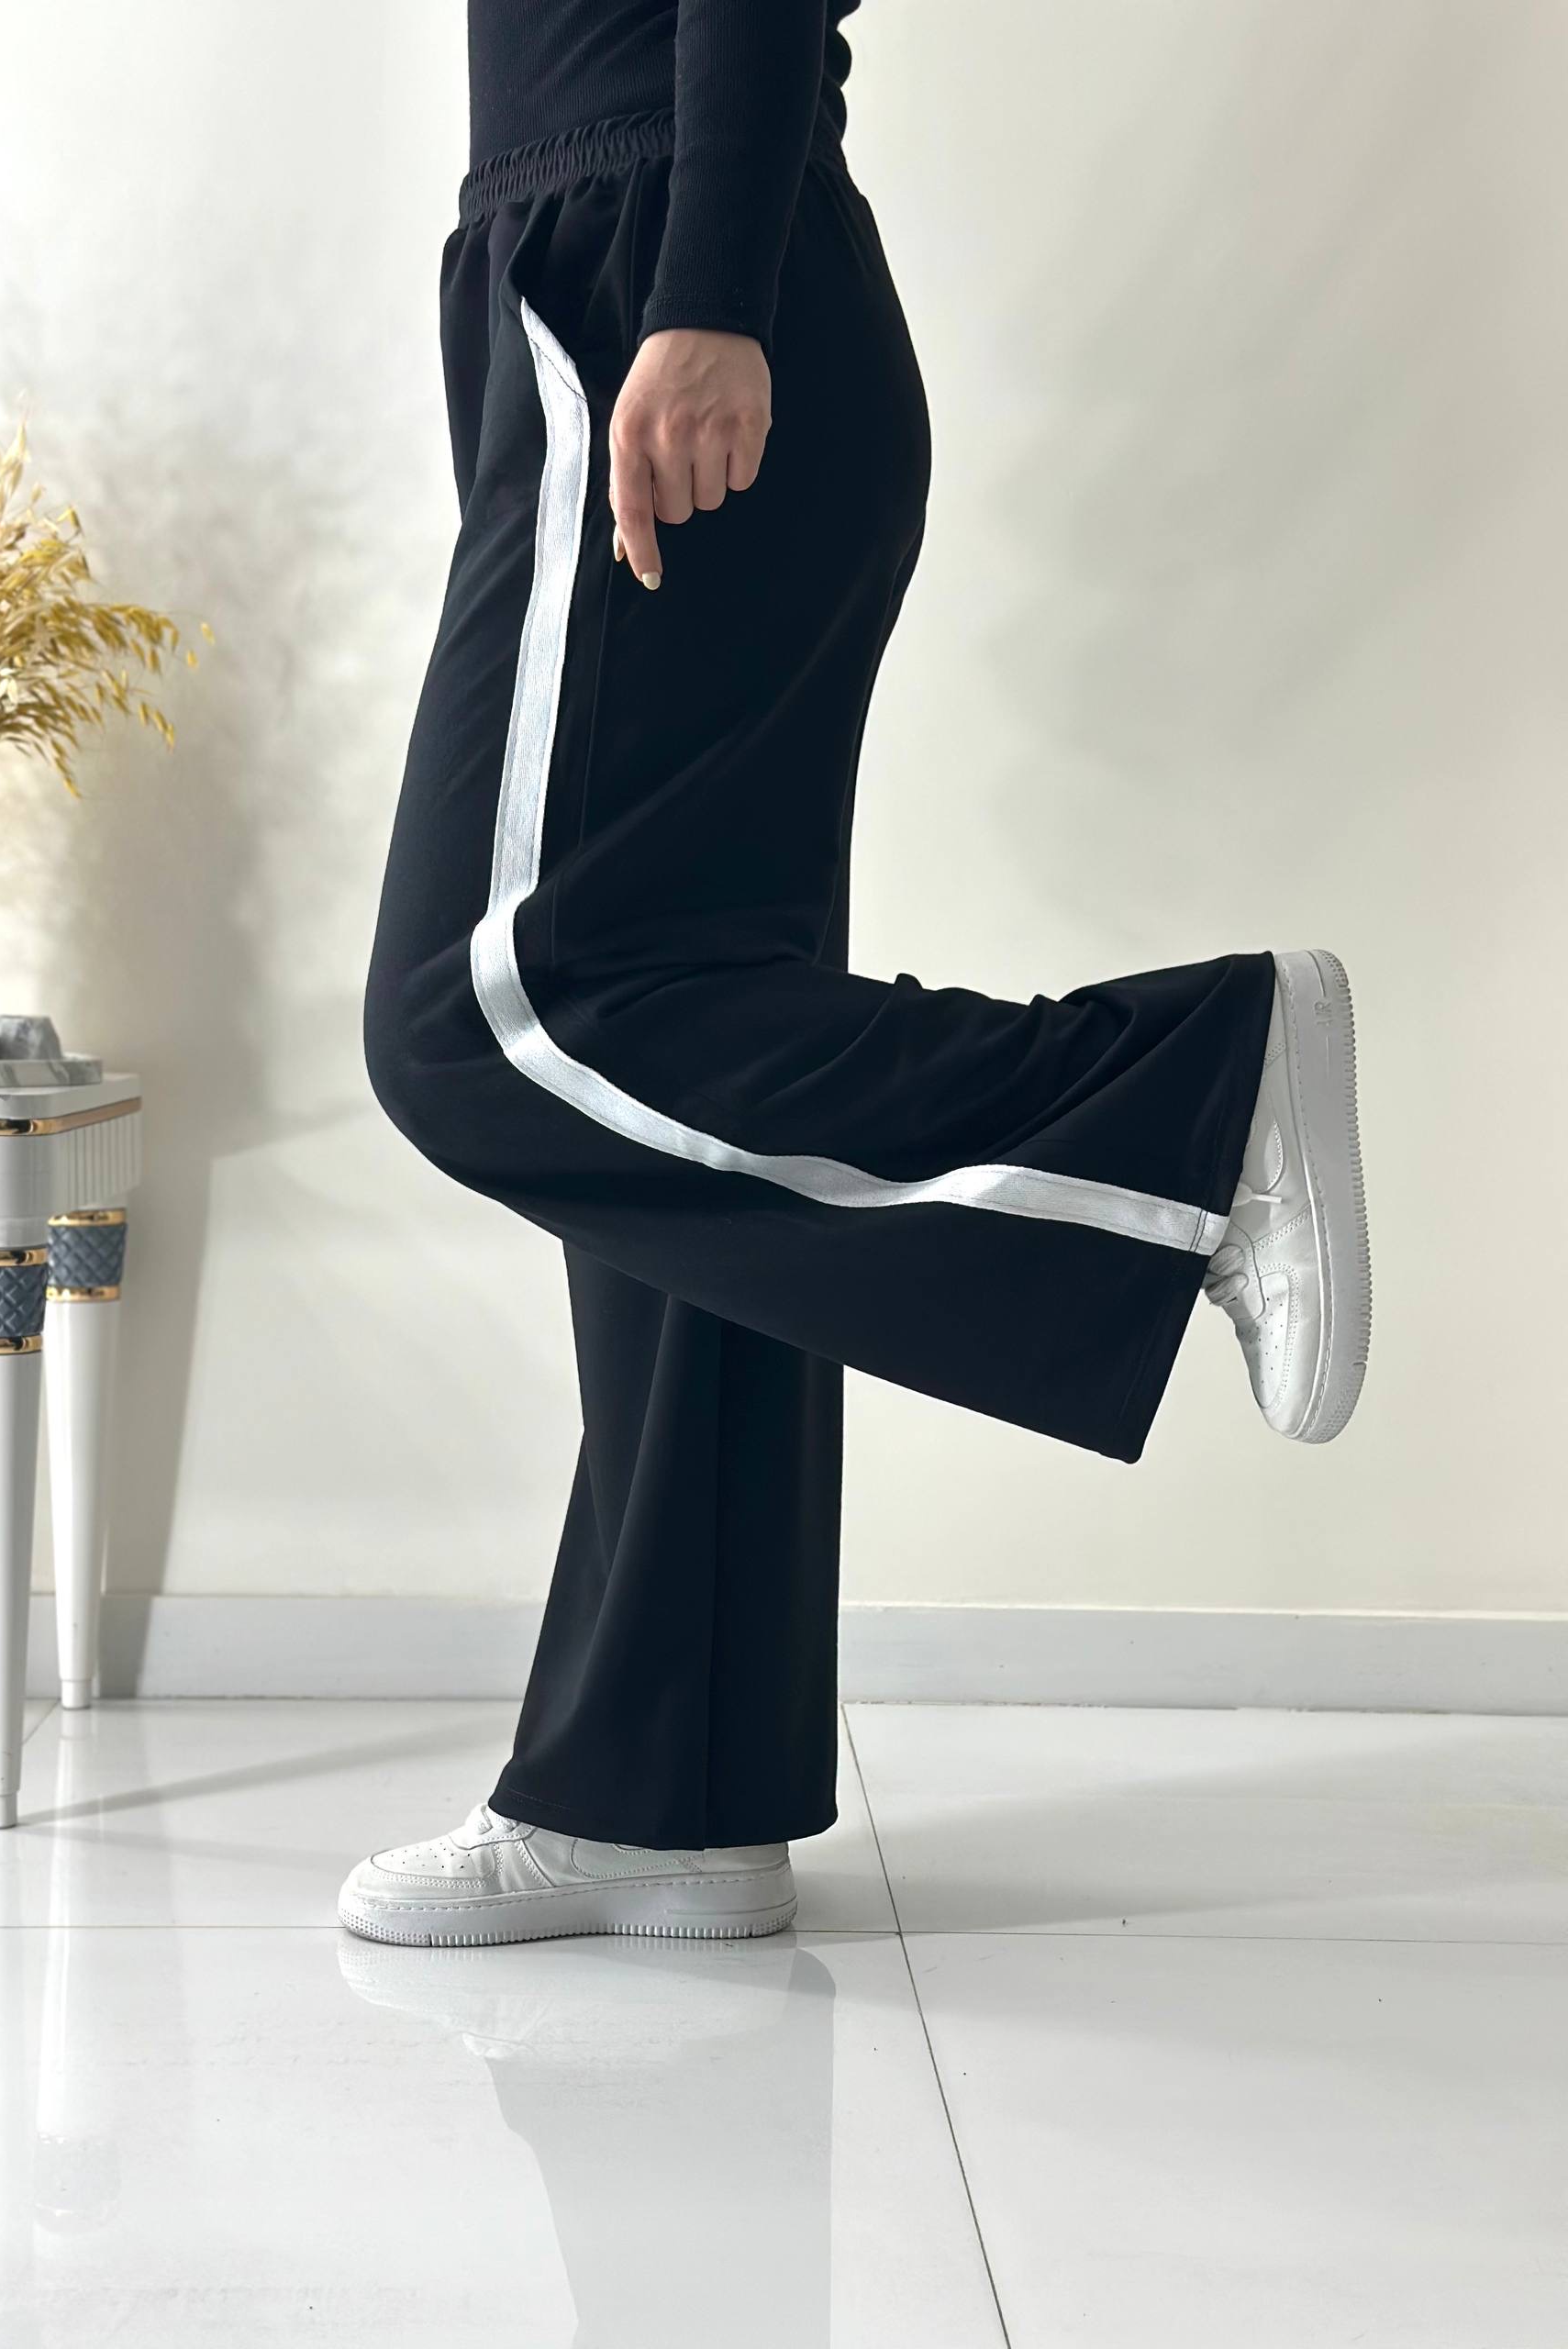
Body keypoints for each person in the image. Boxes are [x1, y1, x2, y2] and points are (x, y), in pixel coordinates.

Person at [339, 0, 1372, 1949]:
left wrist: (701, 288)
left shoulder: (677, 268)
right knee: (683, 1055)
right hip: (658, 268)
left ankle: (1195, 1095)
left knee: (479, 1014)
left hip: (655, 276)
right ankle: (671, 1795)